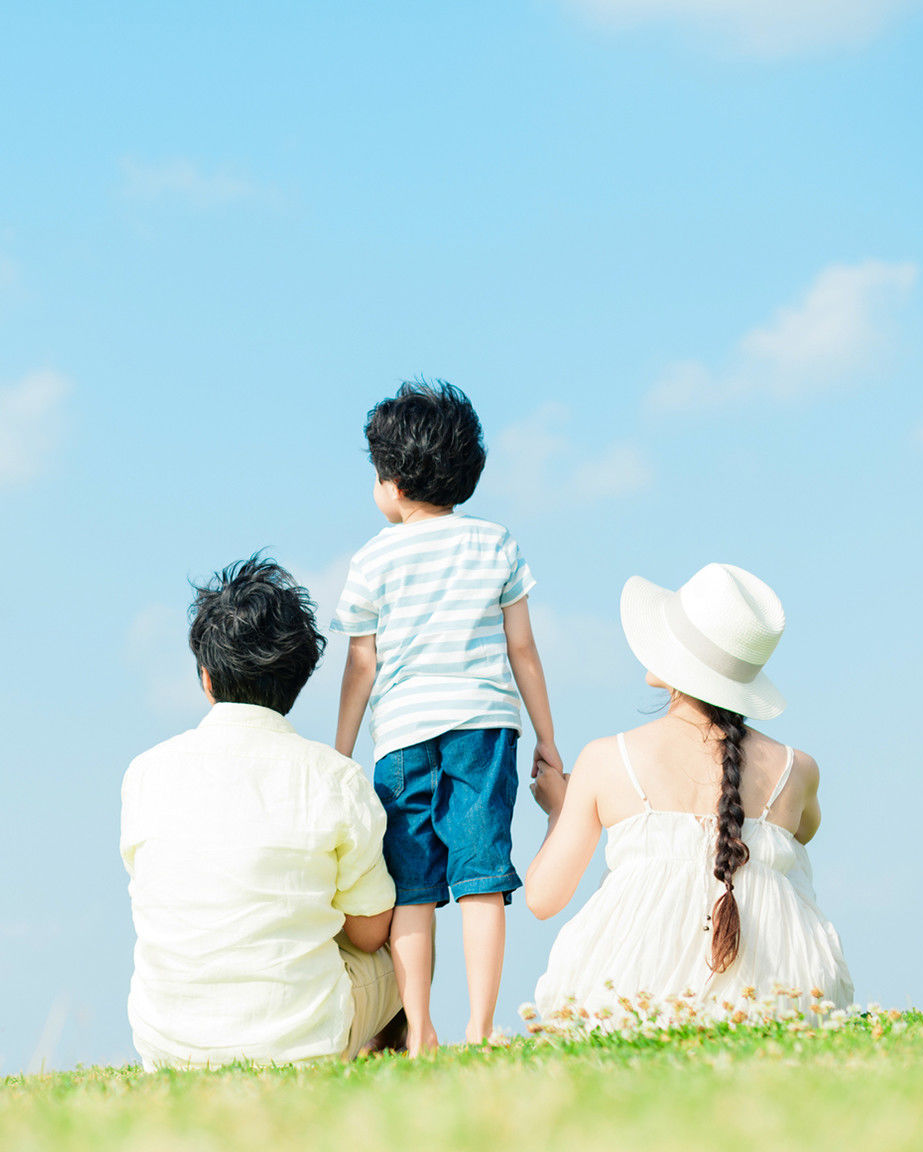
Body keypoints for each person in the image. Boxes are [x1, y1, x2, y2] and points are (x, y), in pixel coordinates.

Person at [331, 380, 558, 1053]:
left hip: (401, 736)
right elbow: (523, 648)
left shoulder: (372, 558)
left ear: (393, 482)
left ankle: (421, 1030)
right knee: (483, 878)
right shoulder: (495, 544)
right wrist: (548, 737)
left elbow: (362, 666)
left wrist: (343, 751)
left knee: (413, 888)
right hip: (485, 727)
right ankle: (482, 1029)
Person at [525, 563, 853, 1027]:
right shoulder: (797, 770)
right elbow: (804, 833)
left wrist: (560, 810)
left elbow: (543, 898)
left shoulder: (606, 759)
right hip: (784, 993)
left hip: (635, 989)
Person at [121, 555, 403, 1068]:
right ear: (297, 681)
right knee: (408, 940)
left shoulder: (145, 773)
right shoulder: (334, 777)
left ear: (206, 677)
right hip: (300, 1043)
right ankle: (384, 1071)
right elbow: (368, 932)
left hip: (166, 1044)